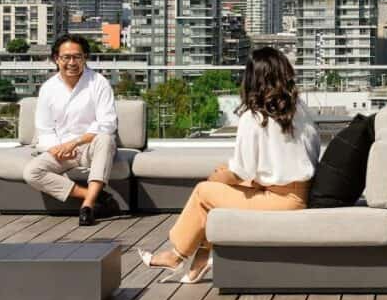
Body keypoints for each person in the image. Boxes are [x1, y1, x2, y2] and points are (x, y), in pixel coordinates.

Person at [137, 48, 320, 283]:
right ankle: (199, 261)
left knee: (205, 191)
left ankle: (176, 255)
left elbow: (242, 170)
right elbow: (306, 154)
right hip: (297, 193)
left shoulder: (253, 118)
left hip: (281, 200)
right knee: (217, 189)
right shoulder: (299, 110)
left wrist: (220, 177)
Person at [22, 33, 120, 227]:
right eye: (66, 57)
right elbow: (44, 127)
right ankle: (97, 196)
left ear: (85, 58)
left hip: (90, 147)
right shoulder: (48, 88)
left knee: (106, 139)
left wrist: (75, 143)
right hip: (60, 150)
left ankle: (88, 206)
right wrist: (57, 149)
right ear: (56, 59)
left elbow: (107, 123)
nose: (72, 62)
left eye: (77, 57)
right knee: (31, 172)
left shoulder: (98, 83)